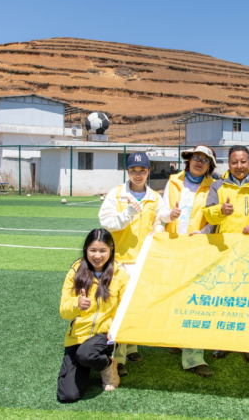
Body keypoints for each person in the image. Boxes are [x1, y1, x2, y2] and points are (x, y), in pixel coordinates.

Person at [202, 144, 249, 363]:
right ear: (229, 164)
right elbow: (208, 215)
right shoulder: (218, 186)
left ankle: (248, 344)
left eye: (243, 162)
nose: (239, 166)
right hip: (225, 251)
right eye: (234, 162)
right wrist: (220, 211)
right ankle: (223, 343)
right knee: (225, 297)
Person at [99, 152, 165, 376]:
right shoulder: (116, 194)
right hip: (119, 261)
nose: (138, 175)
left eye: (142, 171)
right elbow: (106, 222)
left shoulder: (155, 197)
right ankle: (118, 358)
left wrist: (158, 229)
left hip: (143, 261)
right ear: (127, 172)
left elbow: (159, 222)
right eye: (133, 171)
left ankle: (132, 347)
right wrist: (128, 213)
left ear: (148, 171)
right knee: (119, 309)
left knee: (137, 306)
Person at [160, 144, 218, 377]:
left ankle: (194, 358)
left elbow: (215, 218)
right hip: (173, 248)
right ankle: (176, 339)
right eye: (196, 157)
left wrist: (203, 232)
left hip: (198, 250)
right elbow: (162, 212)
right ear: (189, 159)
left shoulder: (214, 186)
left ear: (210, 166)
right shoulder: (173, 181)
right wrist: (169, 216)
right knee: (174, 296)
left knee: (196, 301)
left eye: (205, 160)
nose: (199, 162)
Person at [57, 228, 128, 402]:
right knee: (68, 395)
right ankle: (88, 363)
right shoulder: (75, 272)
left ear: (111, 250)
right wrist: (77, 304)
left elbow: (125, 308)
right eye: (93, 250)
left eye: (102, 250)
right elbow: (64, 311)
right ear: (86, 249)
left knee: (86, 354)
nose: (97, 255)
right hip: (77, 337)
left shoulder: (119, 274)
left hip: (104, 335)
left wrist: (115, 331)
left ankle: (107, 365)